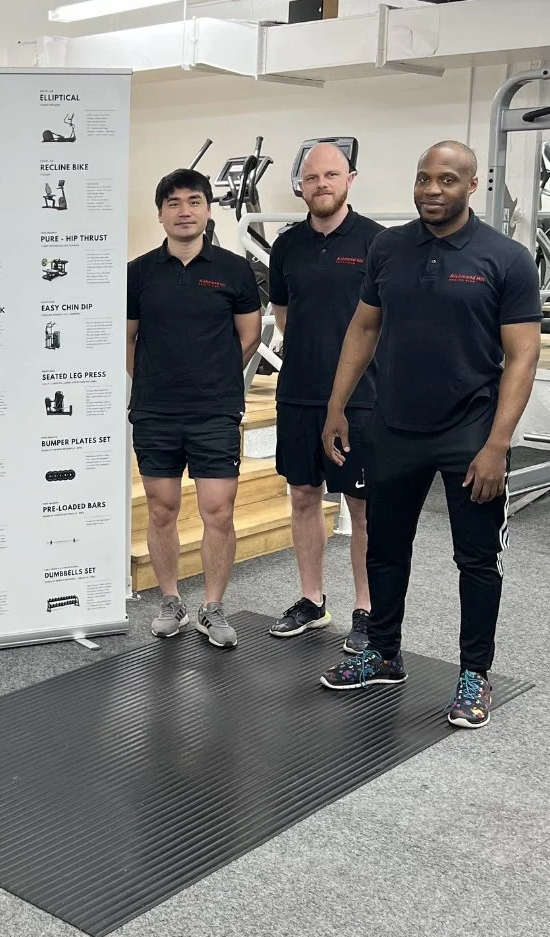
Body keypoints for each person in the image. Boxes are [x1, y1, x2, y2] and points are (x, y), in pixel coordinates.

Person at [318, 141, 542, 729]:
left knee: (476, 560)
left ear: (471, 186)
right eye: (423, 179)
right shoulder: (388, 247)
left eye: (446, 179)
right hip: (392, 425)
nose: (431, 190)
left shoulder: (506, 257)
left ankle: (475, 673)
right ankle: (384, 652)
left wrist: (497, 445)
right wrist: (337, 405)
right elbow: (364, 326)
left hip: (470, 429)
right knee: (385, 547)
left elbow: (522, 357)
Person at [127, 168, 263, 647]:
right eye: (174, 203)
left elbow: (250, 336)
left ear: (208, 210)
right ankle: (170, 601)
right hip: (156, 412)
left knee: (218, 512)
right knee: (162, 510)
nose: (184, 211)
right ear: (160, 213)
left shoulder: (233, 269)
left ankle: (212, 607)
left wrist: (214, 376)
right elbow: (129, 340)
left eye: (194, 201)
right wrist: (153, 381)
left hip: (215, 411)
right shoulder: (139, 272)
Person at [267, 142, 384, 653]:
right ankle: (312, 600)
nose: (321, 184)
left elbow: (386, 323)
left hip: (362, 397)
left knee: (362, 507)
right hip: (299, 393)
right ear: (301, 185)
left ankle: (366, 608)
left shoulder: (379, 242)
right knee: (303, 496)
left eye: (331, 175)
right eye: (312, 177)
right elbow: (284, 315)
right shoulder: (287, 245)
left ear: (350, 179)